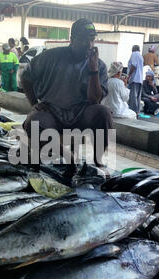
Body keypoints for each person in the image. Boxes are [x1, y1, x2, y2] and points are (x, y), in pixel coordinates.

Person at [21, 18, 112, 169]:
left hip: (81, 113)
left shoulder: (99, 65)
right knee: (34, 122)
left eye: (91, 40)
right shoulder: (50, 57)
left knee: (104, 113)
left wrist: (93, 69)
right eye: (83, 39)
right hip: (52, 112)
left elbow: (95, 99)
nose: (89, 45)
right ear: (72, 39)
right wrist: (35, 104)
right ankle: (67, 156)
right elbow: (25, 78)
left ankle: (98, 161)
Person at [127, 45, 144, 116]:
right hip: (140, 79)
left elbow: (133, 65)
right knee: (137, 97)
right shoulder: (140, 56)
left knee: (133, 96)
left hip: (134, 78)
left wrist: (129, 75)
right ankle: (137, 112)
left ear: (133, 49)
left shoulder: (134, 54)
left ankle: (133, 112)